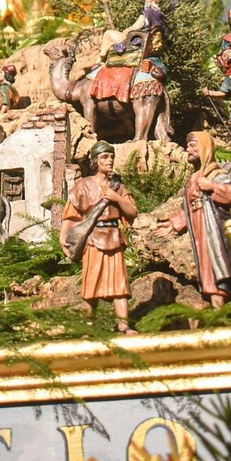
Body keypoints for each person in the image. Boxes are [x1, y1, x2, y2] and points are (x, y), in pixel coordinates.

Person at [155, 131, 231, 307]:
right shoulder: (193, 178)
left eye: (193, 146)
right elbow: (187, 207)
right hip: (200, 229)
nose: (188, 149)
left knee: (218, 264)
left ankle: (224, 306)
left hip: (215, 229)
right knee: (206, 269)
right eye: (188, 146)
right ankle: (216, 306)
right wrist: (173, 224)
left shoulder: (216, 174)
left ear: (205, 148)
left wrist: (212, 186)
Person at [60, 140, 139, 332]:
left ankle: (123, 324)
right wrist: (63, 237)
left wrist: (116, 198)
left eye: (111, 157)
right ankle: (89, 326)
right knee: (91, 284)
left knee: (120, 284)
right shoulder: (83, 185)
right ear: (96, 161)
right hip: (93, 239)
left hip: (114, 237)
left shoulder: (118, 187)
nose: (109, 160)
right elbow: (71, 215)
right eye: (104, 157)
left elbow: (133, 211)